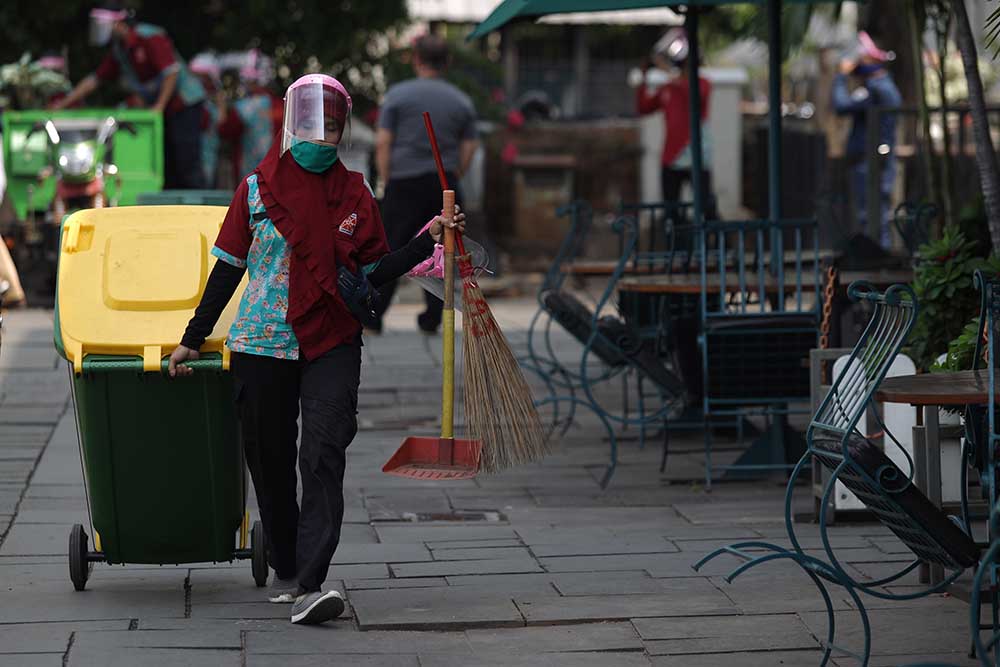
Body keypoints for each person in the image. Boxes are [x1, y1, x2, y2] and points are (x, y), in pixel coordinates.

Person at [166, 74, 465, 625]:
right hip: (261, 342)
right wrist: (191, 338)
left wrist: (429, 240)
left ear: (341, 127)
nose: (320, 132)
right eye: (311, 120)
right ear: (289, 122)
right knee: (271, 460)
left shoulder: (356, 194)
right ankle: (286, 560)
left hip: (332, 339)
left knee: (323, 454)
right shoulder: (256, 188)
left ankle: (311, 580)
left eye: (331, 123)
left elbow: (373, 272)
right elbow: (228, 268)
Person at [371, 34, 479, 334]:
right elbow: (470, 145)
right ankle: (433, 317)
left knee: (391, 247)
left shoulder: (397, 95)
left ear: (416, 59)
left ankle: (373, 315)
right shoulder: (460, 100)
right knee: (441, 248)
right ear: (447, 62)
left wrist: (388, 178)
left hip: (403, 181)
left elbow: (383, 142)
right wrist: (456, 171)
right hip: (443, 182)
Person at [51, 4, 207, 190]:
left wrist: (158, 106)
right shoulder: (120, 49)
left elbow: (171, 72)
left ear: (118, 23)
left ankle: (200, 206)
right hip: (161, 110)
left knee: (186, 161)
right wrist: (63, 104)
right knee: (166, 162)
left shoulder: (149, 37)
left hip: (184, 104)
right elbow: (95, 79)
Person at [831, 31, 902, 249]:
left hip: (872, 162)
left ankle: (879, 260)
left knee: (873, 216)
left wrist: (842, 76)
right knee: (871, 215)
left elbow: (841, 105)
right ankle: (877, 257)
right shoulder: (879, 88)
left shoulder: (879, 90)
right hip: (870, 160)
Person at [636, 28, 716, 219]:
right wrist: (644, 77)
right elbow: (644, 107)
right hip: (671, 157)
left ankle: (717, 245)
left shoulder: (703, 83)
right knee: (671, 210)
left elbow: (694, 95)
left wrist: (668, 72)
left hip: (696, 155)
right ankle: (678, 246)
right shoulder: (669, 87)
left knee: (706, 207)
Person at [218, 50, 283, 187]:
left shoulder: (243, 108)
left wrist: (221, 108)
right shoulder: (283, 106)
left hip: (249, 179)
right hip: (278, 177)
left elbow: (224, 131)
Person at [189, 53, 223, 188]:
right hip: (195, 151)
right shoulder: (195, 100)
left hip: (209, 151)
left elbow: (221, 123)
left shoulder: (213, 101)